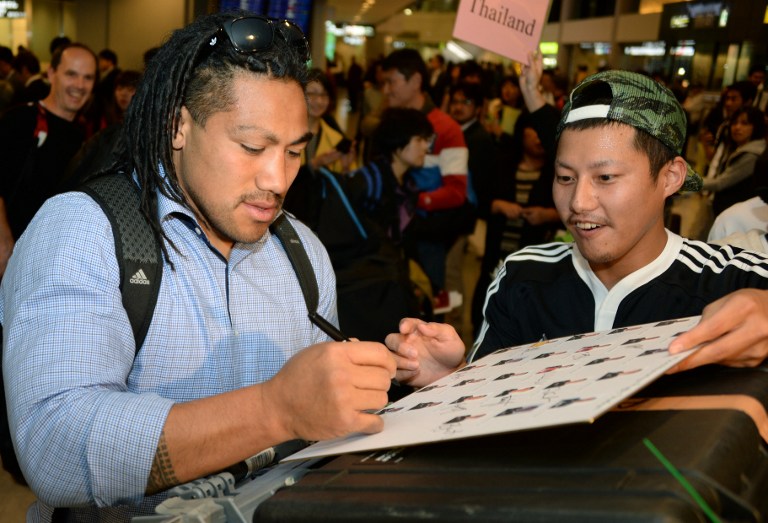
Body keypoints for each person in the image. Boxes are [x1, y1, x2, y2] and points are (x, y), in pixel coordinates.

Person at [1, 12, 395, 520]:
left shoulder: (303, 252)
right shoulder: (82, 232)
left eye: (295, 151)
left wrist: (417, 390)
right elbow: (54, 449)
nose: (277, 179)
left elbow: (325, 425)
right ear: (178, 126)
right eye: (253, 147)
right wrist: (273, 409)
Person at [386, 54, 768, 389]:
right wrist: (450, 381)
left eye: (605, 178)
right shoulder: (523, 278)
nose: (579, 203)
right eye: (565, 178)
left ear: (670, 177)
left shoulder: (732, 283)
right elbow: (488, 417)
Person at [380, 48, 470, 314]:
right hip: (398, 238)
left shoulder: (446, 129)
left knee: (438, 309)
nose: (386, 90)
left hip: (436, 238)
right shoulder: (390, 123)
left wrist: (411, 200)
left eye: (392, 82)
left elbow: (456, 192)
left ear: (416, 81)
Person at [0, 42, 97, 277]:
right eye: (71, 74)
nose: (79, 85)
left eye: (88, 78)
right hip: (12, 257)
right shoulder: (23, 119)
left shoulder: (85, 136)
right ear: (51, 74)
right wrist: (4, 244)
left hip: (51, 262)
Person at [702, 106, 767, 217]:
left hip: (736, 217)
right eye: (734, 123)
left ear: (756, 126)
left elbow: (720, 183)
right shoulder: (740, 148)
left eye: (744, 123)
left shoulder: (751, 154)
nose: (737, 127)